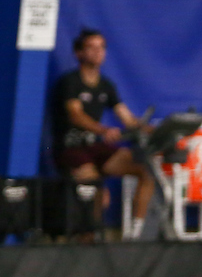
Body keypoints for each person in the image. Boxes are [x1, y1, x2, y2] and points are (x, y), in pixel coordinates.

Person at [50, 28, 154, 239]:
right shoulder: (69, 82)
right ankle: (88, 241)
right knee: (95, 191)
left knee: (146, 171)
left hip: (95, 149)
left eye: (101, 47)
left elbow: (129, 119)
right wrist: (104, 130)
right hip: (70, 150)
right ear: (79, 53)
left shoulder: (106, 86)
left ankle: (135, 234)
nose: (98, 52)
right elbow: (75, 116)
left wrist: (157, 131)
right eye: (91, 47)